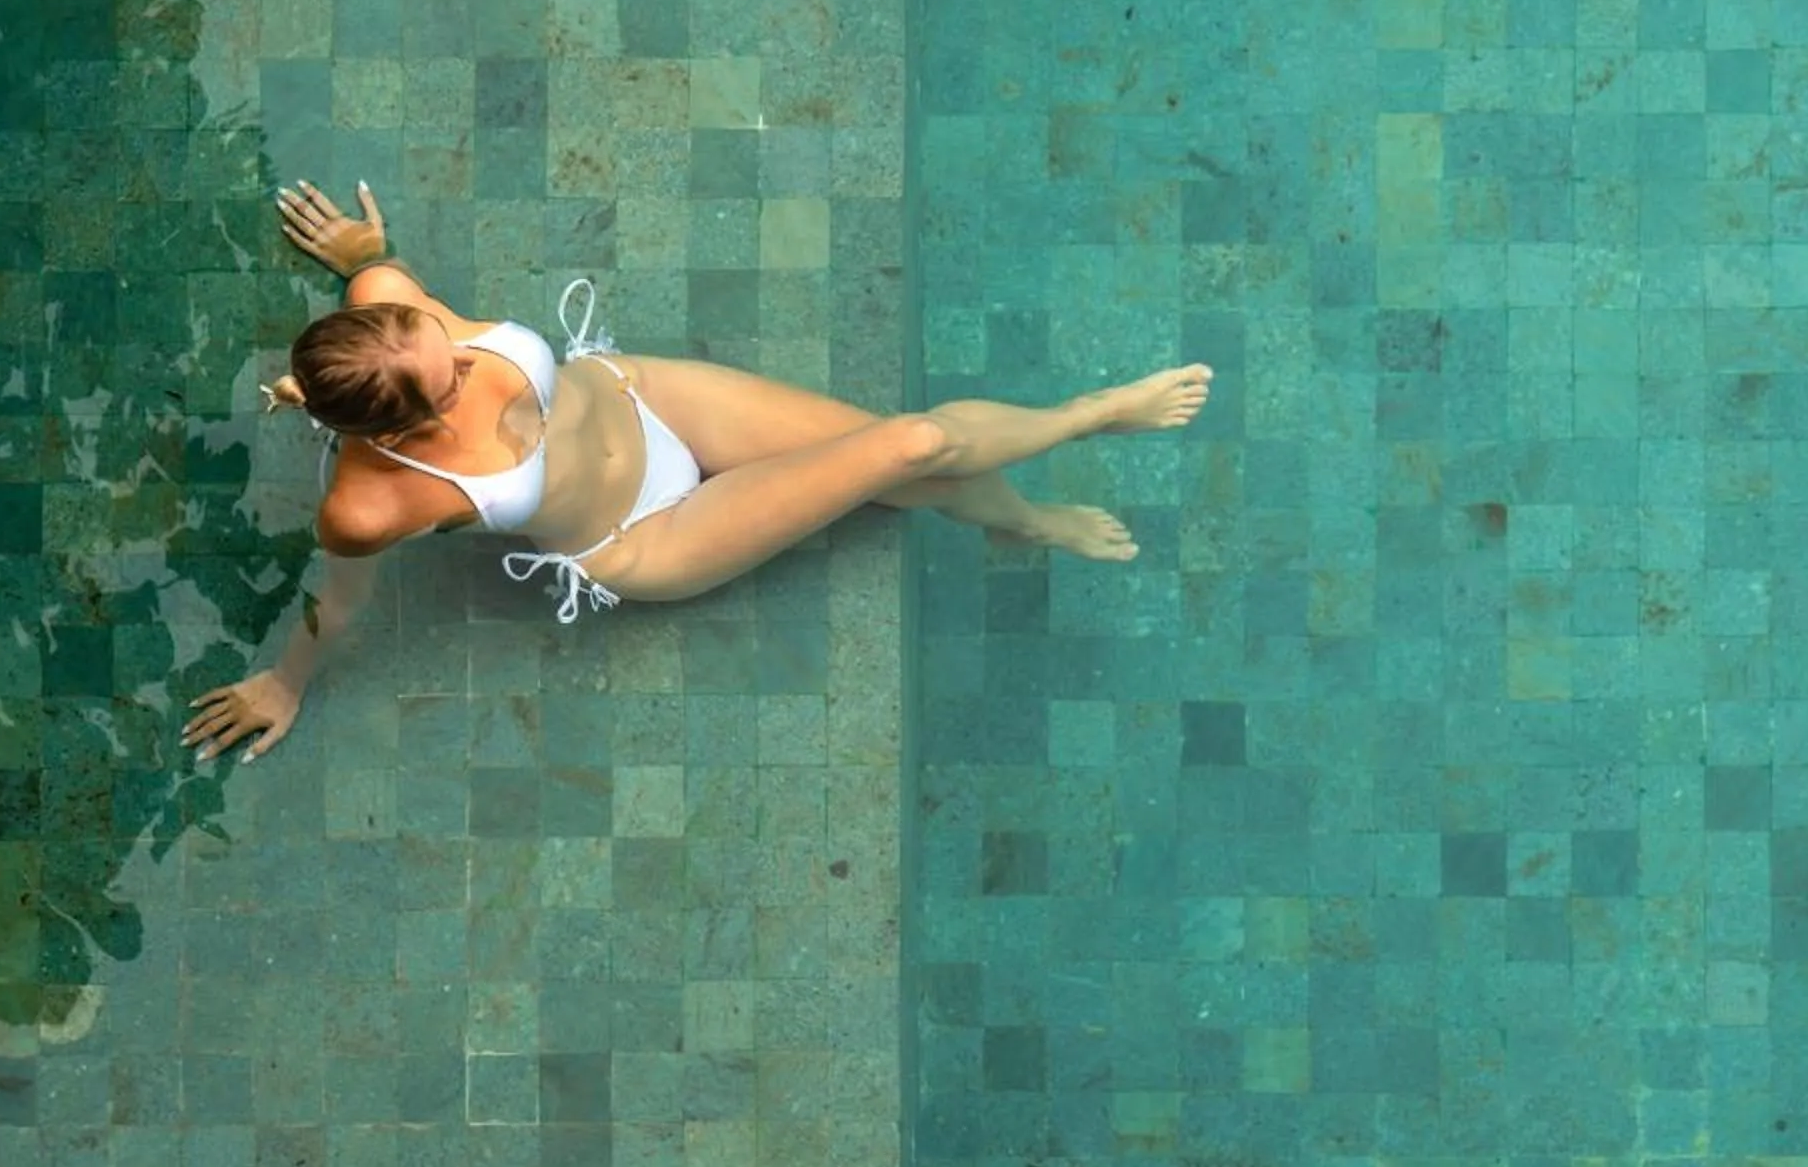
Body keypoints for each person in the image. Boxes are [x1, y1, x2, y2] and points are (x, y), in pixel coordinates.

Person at [182, 181, 1212, 765]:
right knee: (907, 450)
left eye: (435, 332)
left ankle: (1049, 470)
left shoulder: (396, 314)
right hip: (645, 535)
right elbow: (337, 602)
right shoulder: (373, 500)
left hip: (649, 398)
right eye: (444, 380)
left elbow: (382, 277)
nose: (460, 354)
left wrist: (361, 250)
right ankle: (1062, 465)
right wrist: (284, 680)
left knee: (923, 457)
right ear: (403, 422)